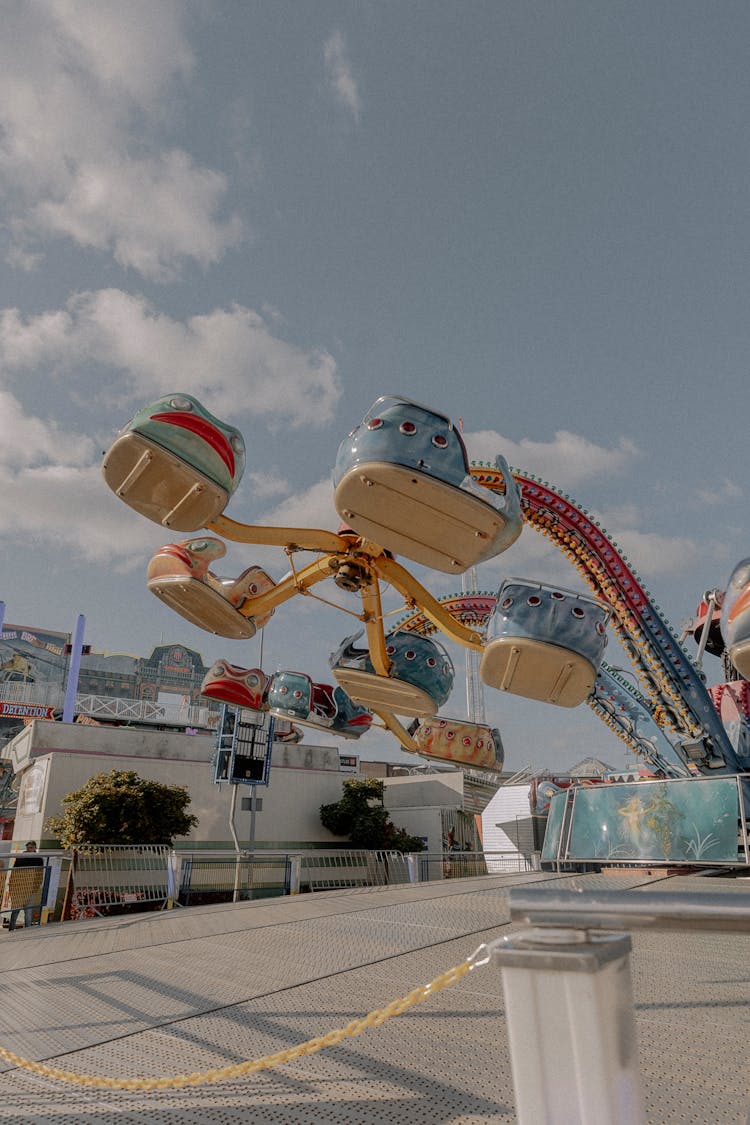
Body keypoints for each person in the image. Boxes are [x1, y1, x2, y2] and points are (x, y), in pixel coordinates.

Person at [7, 842, 44, 931]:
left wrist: (36, 887)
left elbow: (39, 875)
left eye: (31, 848)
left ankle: (27, 931)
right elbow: (14, 872)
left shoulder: (38, 859)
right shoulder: (21, 858)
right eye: (28, 848)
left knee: (28, 912)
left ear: (35, 848)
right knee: (16, 911)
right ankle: (12, 929)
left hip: (31, 889)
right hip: (20, 888)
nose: (29, 850)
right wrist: (12, 885)